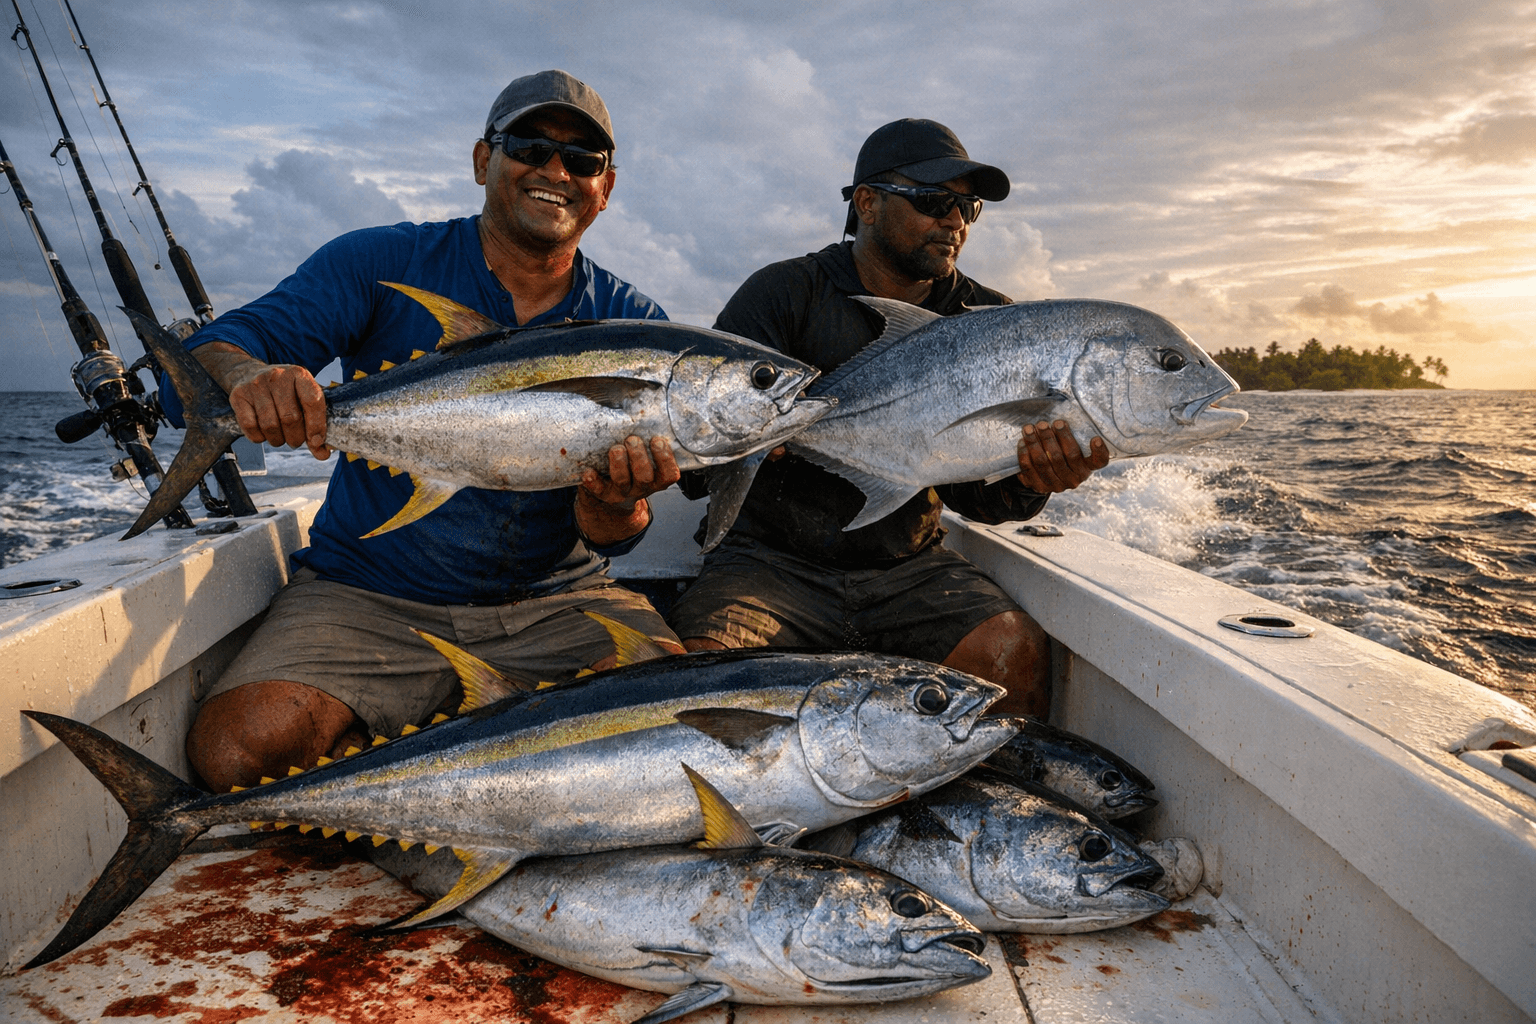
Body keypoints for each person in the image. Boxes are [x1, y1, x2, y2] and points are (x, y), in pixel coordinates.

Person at [179, 70, 684, 793]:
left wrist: (617, 506)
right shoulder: (382, 263)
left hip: (556, 601)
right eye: (530, 146)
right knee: (238, 753)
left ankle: (428, 763)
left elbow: (615, 536)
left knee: (681, 711)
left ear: (605, 188)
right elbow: (212, 353)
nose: (554, 171)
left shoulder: (635, 325)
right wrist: (247, 380)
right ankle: (462, 767)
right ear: (484, 161)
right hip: (369, 593)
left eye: (582, 160)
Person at [667, 118, 1108, 720]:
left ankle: (991, 813)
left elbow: (977, 497)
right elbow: (697, 452)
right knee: (701, 681)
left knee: (1012, 653)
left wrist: (1034, 478)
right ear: (867, 204)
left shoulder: (988, 321)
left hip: (907, 567)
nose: (954, 222)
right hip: (768, 567)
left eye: (968, 208)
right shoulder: (784, 294)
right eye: (933, 201)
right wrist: (739, 441)